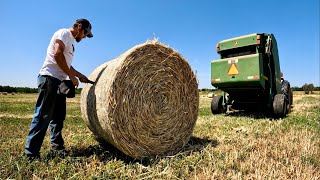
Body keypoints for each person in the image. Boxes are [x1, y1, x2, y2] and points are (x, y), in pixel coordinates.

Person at [25, 18, 93, 159]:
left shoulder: (72, 42)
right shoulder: (64, 33)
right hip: (49, 79)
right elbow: (57, 54)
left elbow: (66, 64)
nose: (85, 37)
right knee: (43, 116)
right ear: (79, 26)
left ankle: (57, 148)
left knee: (58, 117)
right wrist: (71, 77)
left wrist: (79, 76)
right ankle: (30, 154)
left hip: (59, 82)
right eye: (85, 33)